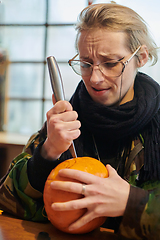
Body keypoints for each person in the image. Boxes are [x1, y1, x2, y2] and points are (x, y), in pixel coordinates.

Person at [0, 2, 160, 239]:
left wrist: (131, 203)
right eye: (85, 64)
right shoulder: (66, 119)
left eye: (110, 63)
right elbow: (7, 201)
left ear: (142, 57)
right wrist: (47, 153)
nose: (95, 78)